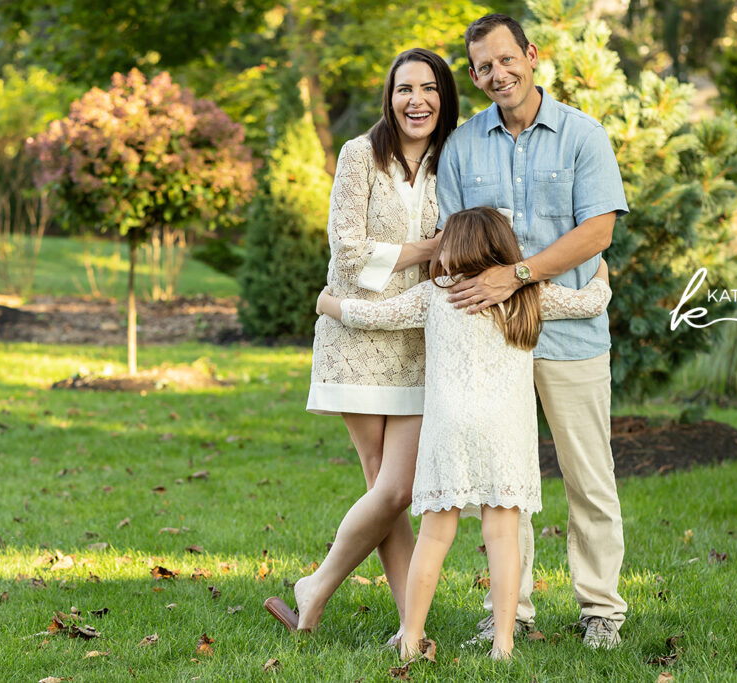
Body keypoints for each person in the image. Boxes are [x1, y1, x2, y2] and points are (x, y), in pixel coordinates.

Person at [316, 207, 613, 660]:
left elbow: (374, 315)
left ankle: (411, 637)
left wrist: (327, 304)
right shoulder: (528, 295)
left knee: (436, 535)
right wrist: (601, 273)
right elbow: (591, 302)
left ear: (454, 248)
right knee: (502, 533)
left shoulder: (437, 294)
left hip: (447, 428)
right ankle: (504, 643)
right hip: (506, 431)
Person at [434, 14, 630, 649]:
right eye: (483, 67)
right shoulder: (462, 147)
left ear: (531, 55)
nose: (497, 74)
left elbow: (597, 233)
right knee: (505, 484)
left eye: (505, 59)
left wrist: (516, 273)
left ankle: (601, 608)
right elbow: (452, 243)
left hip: (572, 338)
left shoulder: (582, 135)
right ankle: (508, 613)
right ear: (473, 75)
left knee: (588, 477)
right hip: (496, 346)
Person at [263, 48, 459, 644]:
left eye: (429, 89)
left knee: (396, 489)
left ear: (445, 98)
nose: (416, 100)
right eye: (405, 89)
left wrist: (437, 255)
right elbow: (347, 252)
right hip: (356, 337)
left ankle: (315, 586)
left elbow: (466, 245)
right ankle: (410, 630)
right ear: (389, 96)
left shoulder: (454, 160)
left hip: (420, 340)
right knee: (385, 486)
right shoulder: (359, 156)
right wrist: (428, 250)